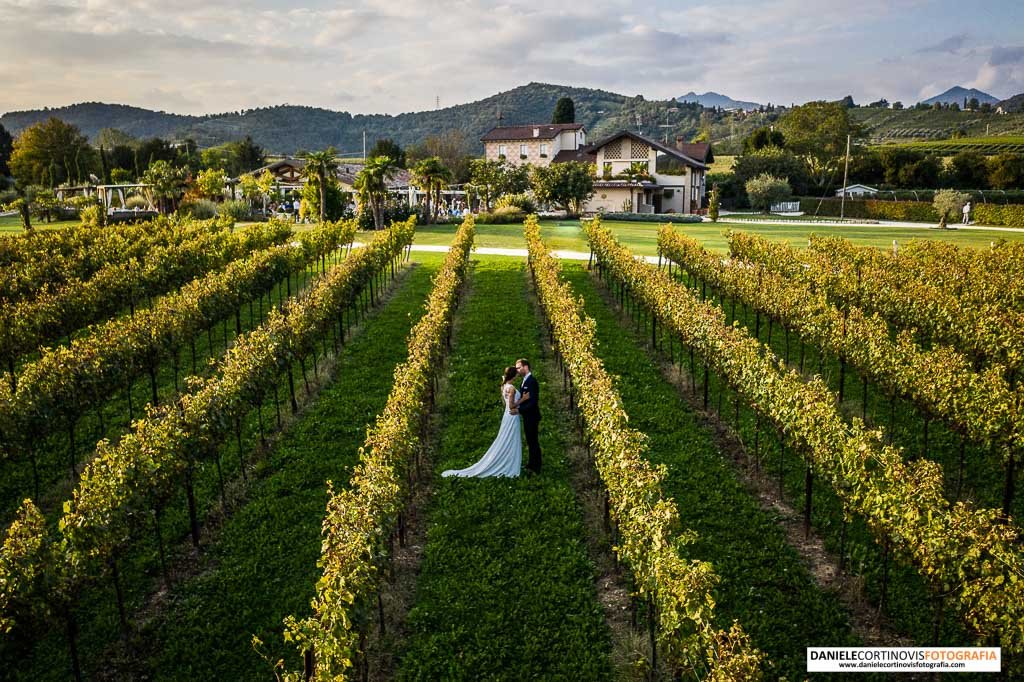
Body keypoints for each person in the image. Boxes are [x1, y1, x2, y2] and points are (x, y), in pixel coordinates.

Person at [442, 367, 523, 478]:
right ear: (514, 375)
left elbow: (505, 405)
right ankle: (509, 463)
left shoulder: (504, 386)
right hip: (512, 416)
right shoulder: (512, 388)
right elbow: (511, 406)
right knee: (510, 439)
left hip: (507, 416)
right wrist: (523, 400)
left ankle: (508, 459)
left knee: (505, 438)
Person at [516, 358, 541, 475]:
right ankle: (532, 463)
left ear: (526, 367)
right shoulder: (525, 381)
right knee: (530, 441)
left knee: (533, 441)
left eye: (519, 367)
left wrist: (519, 410)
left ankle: (536, 466)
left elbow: (533, 402)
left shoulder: (531, 381)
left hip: (531, 416)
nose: (517, 370)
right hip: (527, 416)